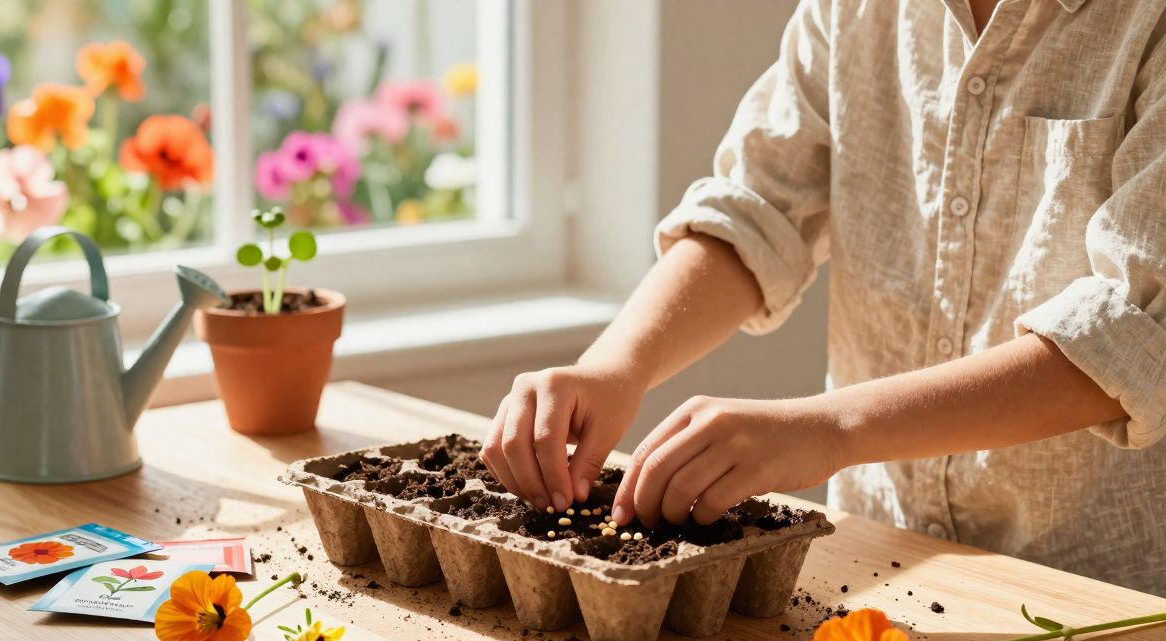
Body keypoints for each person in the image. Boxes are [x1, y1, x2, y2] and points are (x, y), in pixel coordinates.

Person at [479, 0, 1166, 595]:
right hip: (876, 563)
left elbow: (1136, 334)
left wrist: (832, 429)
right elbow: (759, 209)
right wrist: (614, 368)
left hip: (1110, 600)